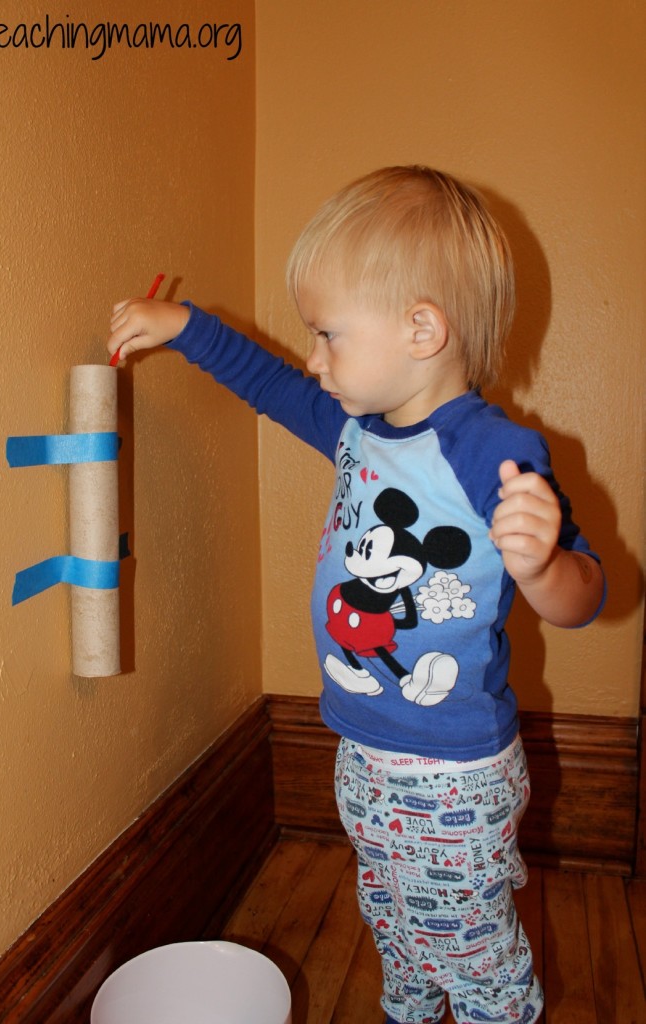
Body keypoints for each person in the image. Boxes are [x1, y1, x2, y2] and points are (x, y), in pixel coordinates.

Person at [108, 166, 605, 1024]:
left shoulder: (491, 449)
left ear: (422, 330)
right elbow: (268, 384)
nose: (314, 356)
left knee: (473, 952)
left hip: (452, 772)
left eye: (328, 334)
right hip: (362, 750)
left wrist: (542, 564)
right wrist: (183, 325)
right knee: (396, 927)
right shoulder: (354, 429)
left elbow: (585, 595)